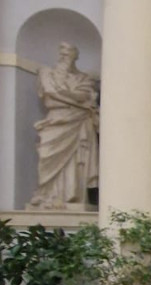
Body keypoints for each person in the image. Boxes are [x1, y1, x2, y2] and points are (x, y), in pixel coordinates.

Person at [30, 42, 99, 210]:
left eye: (68, 52)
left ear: (76, 55)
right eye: (61, 51)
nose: (63, 55)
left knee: (76, 162)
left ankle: (71, 196)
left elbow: (84, 95)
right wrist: (74, 99)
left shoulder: (85, 78)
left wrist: (64, 95)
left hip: (77, 120)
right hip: (55, 119)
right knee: (47, 155)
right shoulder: (47, 74)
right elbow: (50, 96)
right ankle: (47, 195)